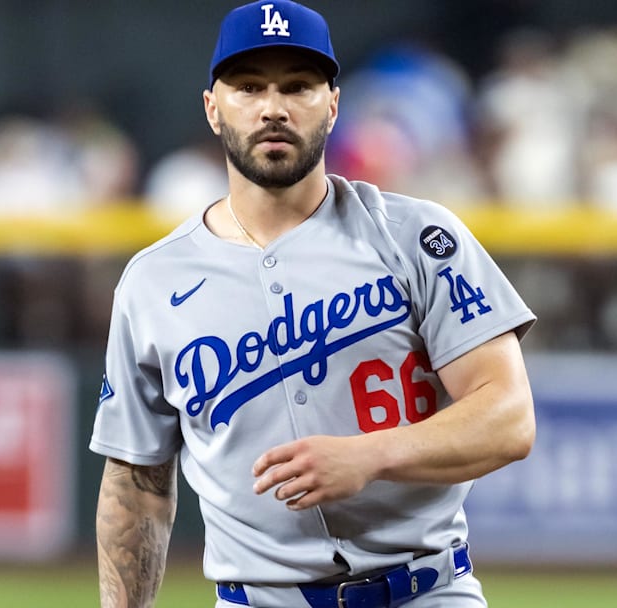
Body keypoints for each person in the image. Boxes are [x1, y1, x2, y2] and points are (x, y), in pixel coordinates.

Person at [90, 2, 537, 606]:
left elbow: (508, 416)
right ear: (212, 107)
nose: (273, 106)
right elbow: (136, 481)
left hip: (425, 590)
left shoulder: (416, 237)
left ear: (332, 104)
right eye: (249, 87)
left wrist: (373, 455)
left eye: (297, 86)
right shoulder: (152, 282)